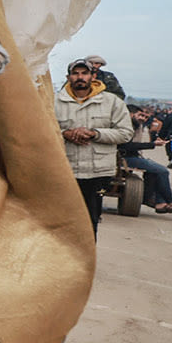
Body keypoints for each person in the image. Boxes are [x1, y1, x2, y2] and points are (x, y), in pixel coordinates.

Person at [57, 59, 132, 233]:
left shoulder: (112, 102)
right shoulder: (54, 102)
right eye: (75, 73)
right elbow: (42, 130)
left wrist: (95, 133)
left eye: (84, 73)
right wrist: (64, 134)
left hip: (97, 173)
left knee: (90, 224)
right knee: (62, 223)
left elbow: (125, 133)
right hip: (65, 171)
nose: (80, 77)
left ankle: (86, 259)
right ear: (68, 77)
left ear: (93, 76)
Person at [121, 108, 172, 215]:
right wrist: (152, 144)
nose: (143, 119)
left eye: (145, 117)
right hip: (125, 158)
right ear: (131, 114)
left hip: (133, 156)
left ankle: (160, 203)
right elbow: (126, 146)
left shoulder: (138, 126)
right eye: (140, 115)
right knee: (162, 171)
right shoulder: (126, 126)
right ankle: (171, 201)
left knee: (153, 172)